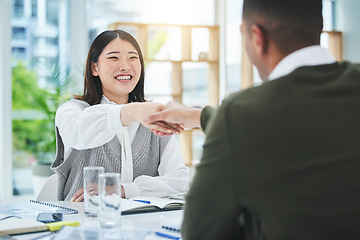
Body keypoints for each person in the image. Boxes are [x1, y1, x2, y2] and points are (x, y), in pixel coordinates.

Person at [145, 0, 360, 239]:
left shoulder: (240, 114)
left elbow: (200, 232)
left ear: (257, 37)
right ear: (319, 24)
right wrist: (197, 116)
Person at [51, 30, 189, 201]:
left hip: (140, 224)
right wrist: (133, 112)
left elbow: (180, 180)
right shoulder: (72, 111)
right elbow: (78, 132)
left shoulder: (154, 119)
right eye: (114, 58)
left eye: (133, 57)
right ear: (94, 68)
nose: (125, 66)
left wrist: (124, 190)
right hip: (80, 223)